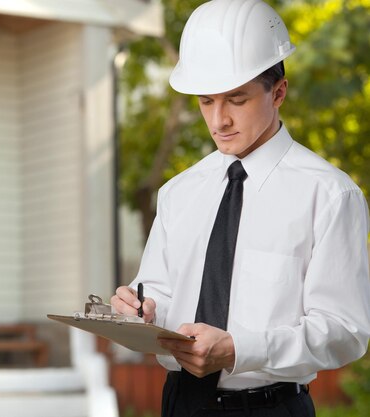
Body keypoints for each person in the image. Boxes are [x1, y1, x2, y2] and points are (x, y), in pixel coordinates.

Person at [110, 0, 370, 416]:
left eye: (236, 99)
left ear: (278, 92)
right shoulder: (179, 192)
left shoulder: (329, 194)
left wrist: (238, 350)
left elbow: (343, 331)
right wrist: (138, 310)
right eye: (206, 101)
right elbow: (157, 292)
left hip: (268, 407)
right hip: (179, 403)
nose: (219, 121)